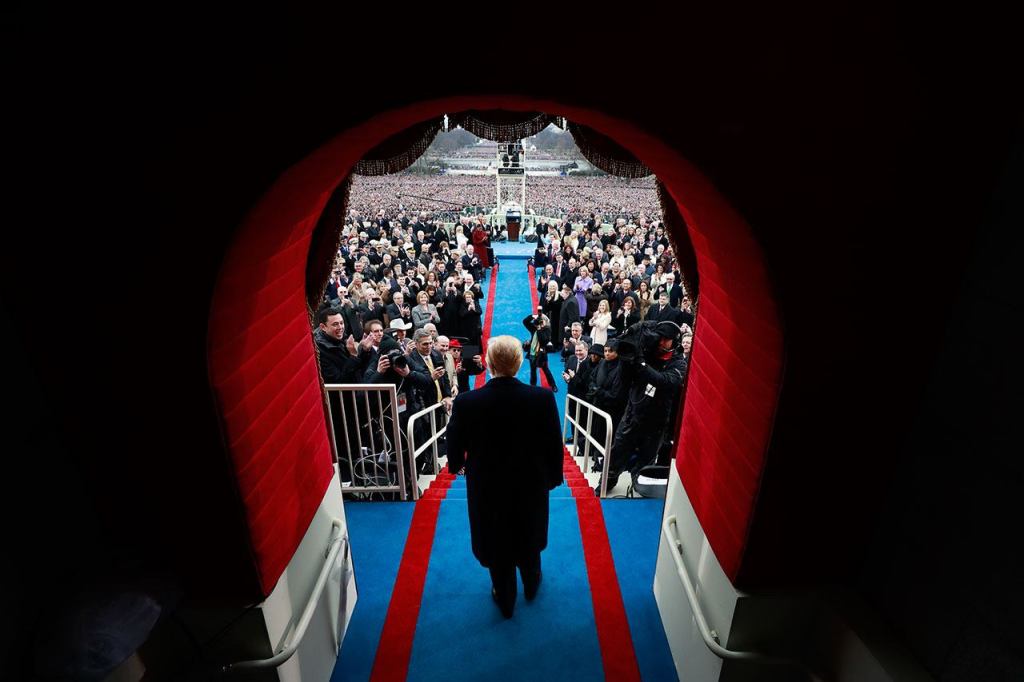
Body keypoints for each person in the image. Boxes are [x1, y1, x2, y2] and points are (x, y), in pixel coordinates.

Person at [445, 336, 564, 619]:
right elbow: (552, 442)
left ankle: (505, 597)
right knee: (528, 531)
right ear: (519, 362)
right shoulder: (542, 398)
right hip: (531, 484)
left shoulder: (466, 402)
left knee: (495, 538)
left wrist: (455, 466)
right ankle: (532, 582)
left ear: (488, 363)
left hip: (487, 486)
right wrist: (553, 477)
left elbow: (454, 442)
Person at [597, 323, 688, 496]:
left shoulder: (678, 363)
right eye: (658, 337)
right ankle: (606, 483)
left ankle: (640, 491)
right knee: (617, 454)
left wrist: (642, 364)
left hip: (656, 422)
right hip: (633, 414)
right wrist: (630, 345)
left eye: (665, 340)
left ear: (674, 342)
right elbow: (626, 375)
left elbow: (665, 381)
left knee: (646, 461)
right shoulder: (646, 352)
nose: (660, 342)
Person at [523, 308, 557, 391]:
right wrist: (532, 316)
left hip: (542, 353)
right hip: (532, 352)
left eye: (542, 321)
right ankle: (533, 386)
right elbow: (525, 322)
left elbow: (544, 340)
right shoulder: (533, 328)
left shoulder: (547, 329)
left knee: (545, 370)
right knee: (533, 371)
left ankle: (553, 385)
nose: (540, 322)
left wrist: (539, 329)